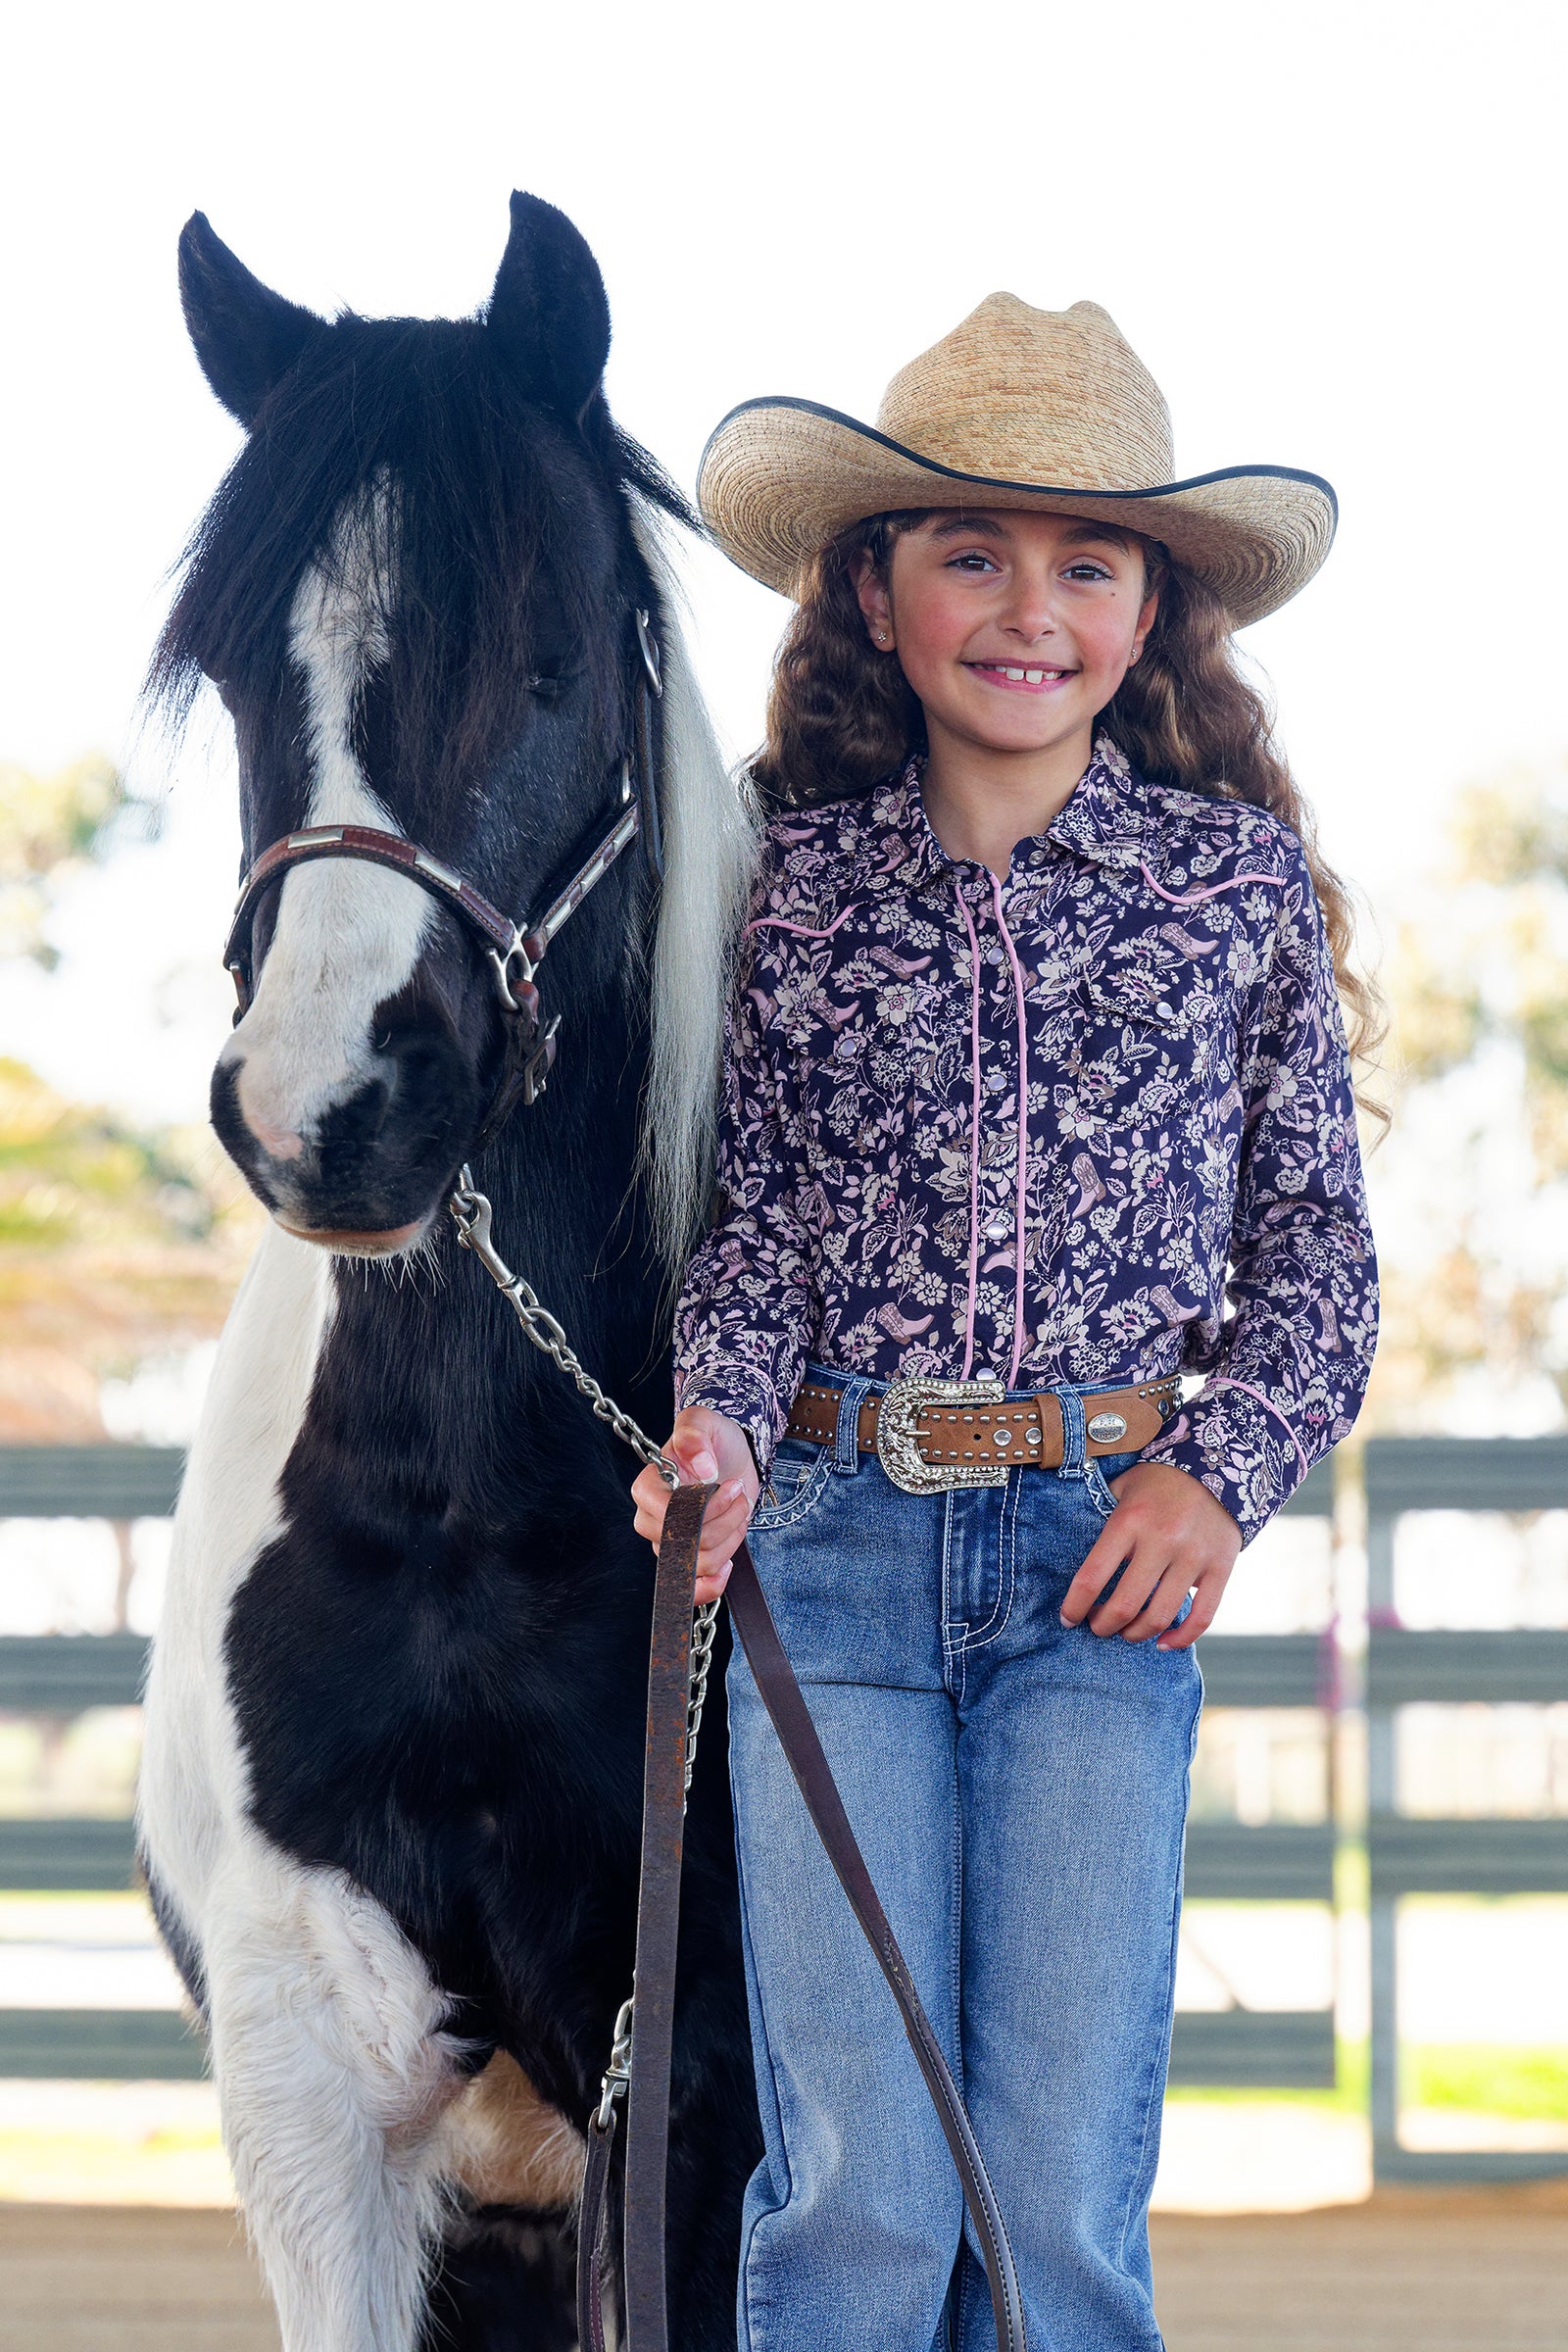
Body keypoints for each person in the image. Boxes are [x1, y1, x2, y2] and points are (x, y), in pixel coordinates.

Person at [630, 293, 1379, 2351]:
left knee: (1048, 2196)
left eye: (1085, 561)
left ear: (1148, 617)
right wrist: (717, 1422)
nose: (1024, 606)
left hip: (1094, 1579)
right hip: (831, 1566)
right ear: (875, 592)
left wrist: (1212, 1480)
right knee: (861, 2187)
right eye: (968, 550)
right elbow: (755, 1222)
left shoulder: (1226, 892)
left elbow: (1313, 1254)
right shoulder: (789, 889)